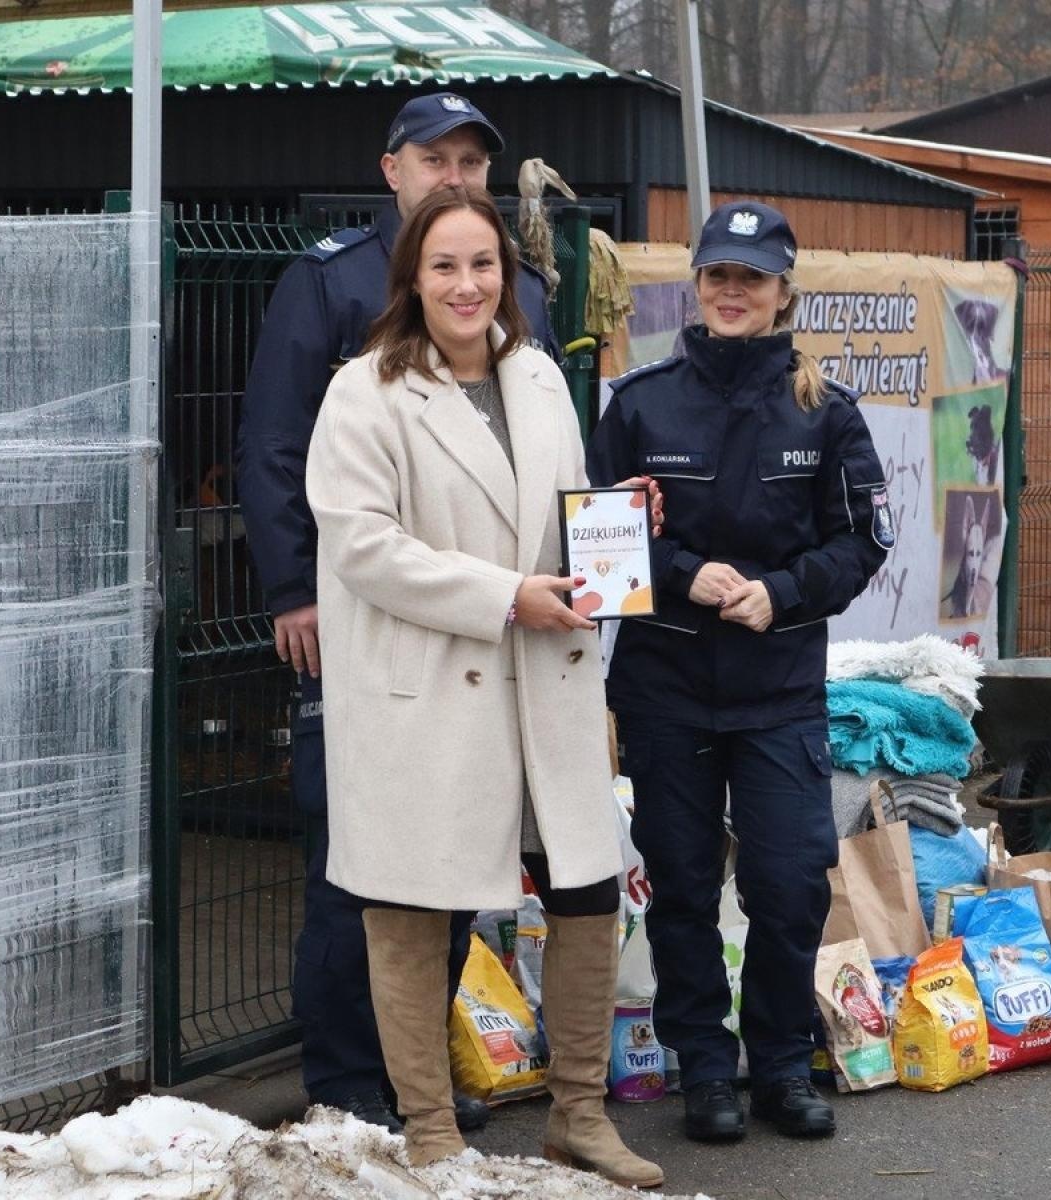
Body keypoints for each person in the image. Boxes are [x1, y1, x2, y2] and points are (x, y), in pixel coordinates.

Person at [303, 185, 663, 1187]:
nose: (467, 285)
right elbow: (366, 548)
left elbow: (547, 525)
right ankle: (429, 1135)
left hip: (542, 680)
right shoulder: (363, 392)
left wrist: (616, 523)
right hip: (429, 689)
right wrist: (509, 595)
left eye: (484, 265)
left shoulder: (539, 377)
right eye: (445, 266)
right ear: (411, 280)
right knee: (411, 912)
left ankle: (579, 1119)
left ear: (509, 275)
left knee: (589, 891)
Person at [235, 92, 558, 1133]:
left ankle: (412, 1074)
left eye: (473, 160)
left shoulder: (523, 294)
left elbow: (543, 456)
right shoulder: (330, 282)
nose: (456, 176)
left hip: (491, 629)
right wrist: (292, 586)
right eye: (436, 159)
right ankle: (343, 1083)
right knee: (361, 863)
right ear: (392, 171)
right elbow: (277, 445)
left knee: (461, 858)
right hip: (370, 620)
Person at [587, 201, 892, 1143]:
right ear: (696, 283)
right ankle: (706, 1072)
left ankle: (781, 1064)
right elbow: (595, 544)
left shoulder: (825, 412)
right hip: (667, 689)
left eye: (750, 279)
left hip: (777, 692)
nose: (731, 293)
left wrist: (784, 592)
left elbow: (865, 540)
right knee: (678, 883)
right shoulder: (640, 404)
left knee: (790, 879)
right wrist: (682, 574)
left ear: (782, 294)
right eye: (718, 275)